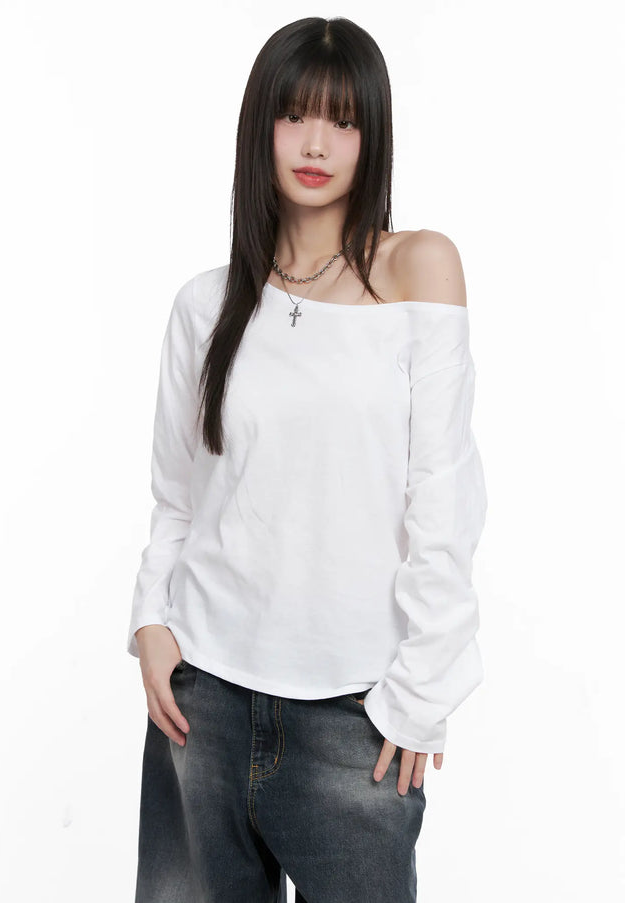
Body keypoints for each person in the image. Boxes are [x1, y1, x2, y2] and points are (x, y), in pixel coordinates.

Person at [127, 15, 488, 903]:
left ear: (374, 135)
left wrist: (420, 692)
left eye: (343, 120)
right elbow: (178, 497)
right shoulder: (205, 305)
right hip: (200, 705)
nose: (316, 143)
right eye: (294, 116)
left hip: (351, 720)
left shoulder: (419, 270)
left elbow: (443, 494)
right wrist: (150, 624)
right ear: (262, 126)